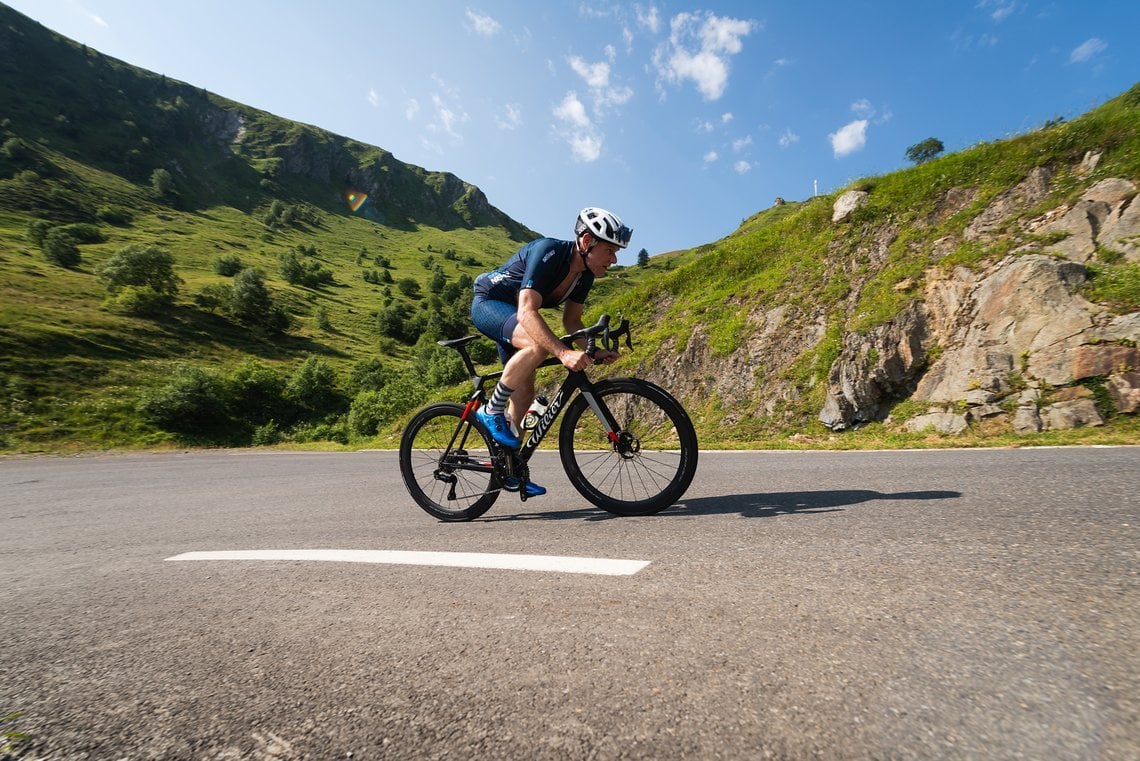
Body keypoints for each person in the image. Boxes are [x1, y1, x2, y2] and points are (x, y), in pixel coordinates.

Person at [470, 207, 632, 497]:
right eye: (609, 250)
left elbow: (572, 321)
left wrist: (592, 352)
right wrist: (563, 353)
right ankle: (491, 409)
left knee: (524, 396)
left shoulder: (584, 276)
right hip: (489, 304)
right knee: (538, 345)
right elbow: (527, 311)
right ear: (586, 243)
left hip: (514, 319)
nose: (614, 259)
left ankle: (509, 470)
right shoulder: (550, 252)